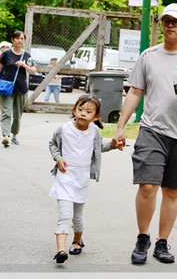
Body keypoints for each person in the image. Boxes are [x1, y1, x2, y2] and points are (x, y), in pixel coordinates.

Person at [110, 3, 177, 264]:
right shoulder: (148, 56)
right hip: (152, 130)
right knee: (147, 185)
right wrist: (121, 127)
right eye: (166, 20)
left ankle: (162, 242)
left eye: (176, 21)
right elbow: (135, 91)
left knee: (172, 190)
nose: (170, 25)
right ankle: (143, 237)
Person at [48, 94, 116, 263]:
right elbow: (52, 144)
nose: (83, 114)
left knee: (77, 216)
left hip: (82, 178)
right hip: (64, 177)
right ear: (74, 110)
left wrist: (114, 144)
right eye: (80, 109)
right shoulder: (63, 129)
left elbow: (101, 147)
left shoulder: (94, 133)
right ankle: (61, 250)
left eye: (88, 111)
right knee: (65, 215)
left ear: (96, 116)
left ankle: (78, 240)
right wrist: (58, 159)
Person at [0, 31, 37, 147]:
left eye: (22, 38)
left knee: (18, 115)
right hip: (6, 88)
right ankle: (6, 136)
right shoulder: (6, 54)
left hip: (21, 88)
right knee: (6, 112)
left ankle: (14, 136)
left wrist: (24, 65)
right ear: (12, 40)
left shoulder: (27, 55)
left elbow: (33, 71)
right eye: (17, 38)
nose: (20, 40)